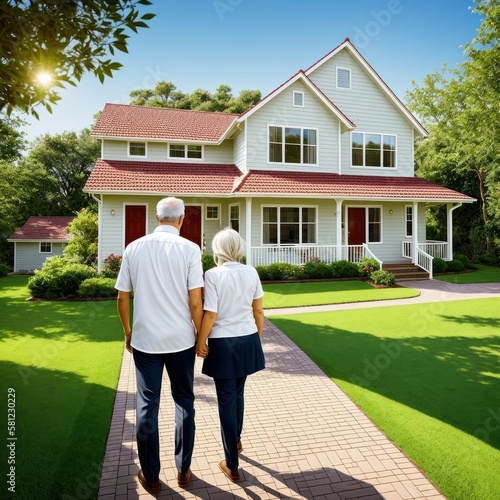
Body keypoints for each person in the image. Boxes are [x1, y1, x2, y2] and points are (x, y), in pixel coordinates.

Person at [115, 197, 204, 493]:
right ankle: (183, 470)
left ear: (156, 217)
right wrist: (201, 334)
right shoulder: (191, 249)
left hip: (146, 341)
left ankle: (151, 475)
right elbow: (195, 301)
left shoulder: (134, 248)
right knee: (184, 402)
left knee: (147, 406)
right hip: (181, 341)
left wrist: (128, 331)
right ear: (182, 219)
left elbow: (122, 297)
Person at [196, 228, 265, 482]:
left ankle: (232, 464)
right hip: (247, 339)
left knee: (227, 400)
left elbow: (210, 313)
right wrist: (256, 338)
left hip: (223, 343)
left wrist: (200, 340)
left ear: (218, 249)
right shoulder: (252, 272)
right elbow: (258, 311)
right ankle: (235, 443)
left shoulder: (212, 275)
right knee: (238, 393)